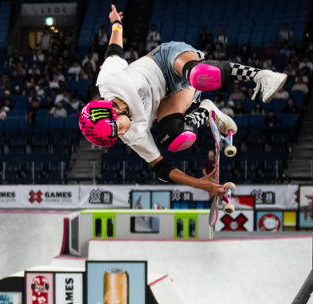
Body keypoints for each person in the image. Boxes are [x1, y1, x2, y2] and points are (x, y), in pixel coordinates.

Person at [78, 5, 286, 197]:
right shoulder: (133, 135)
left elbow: (114, 51)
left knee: (199, 74)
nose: (123, 134)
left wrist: (116, 23)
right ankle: (206, 111)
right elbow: (160, 167)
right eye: (118, 135)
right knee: (174, 138)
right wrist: (198, 183)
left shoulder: (109, 81)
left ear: (113, 111)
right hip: (173, 95)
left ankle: (261, 76)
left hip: (168, 59)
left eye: (118, 129)